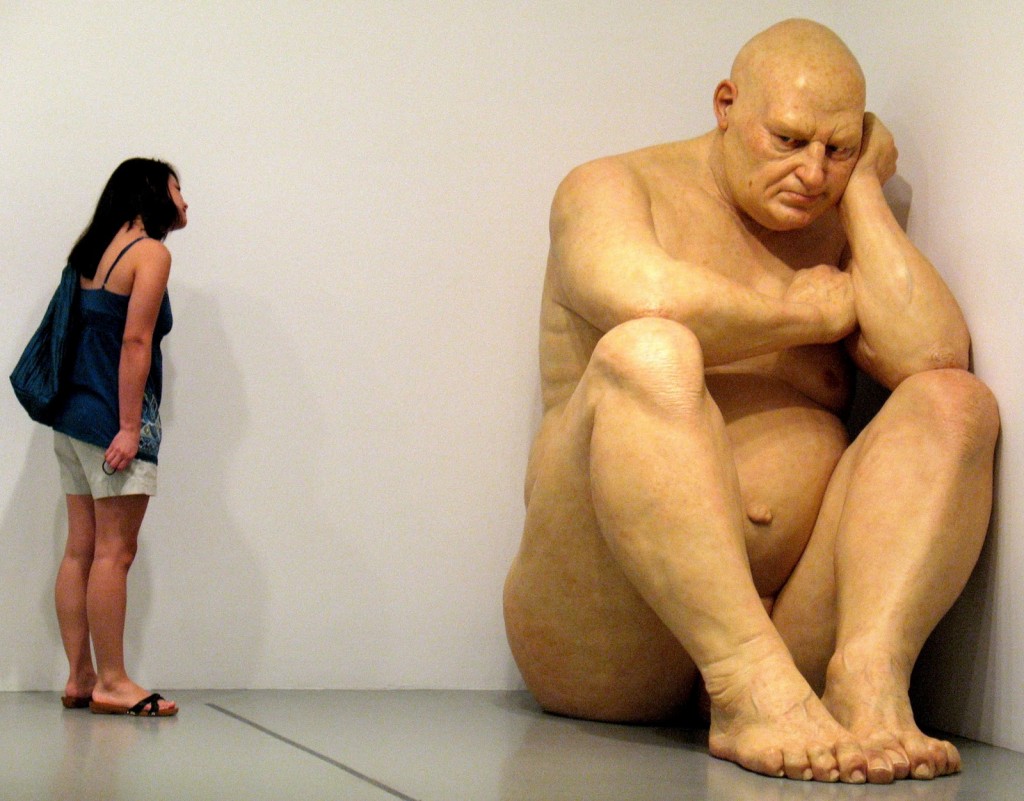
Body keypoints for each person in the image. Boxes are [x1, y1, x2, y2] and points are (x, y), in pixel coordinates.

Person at [503, 19, 999, 784]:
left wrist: (864, 195)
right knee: (650, 351)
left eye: (837, 149)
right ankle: (743, 675)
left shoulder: (834, 224)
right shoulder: (611, 186)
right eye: (789, 140)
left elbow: (933, 354)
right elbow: (642, 294)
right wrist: (806, 313)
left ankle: (868, 676)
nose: (812, 172)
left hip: (793, 633)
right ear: (727, 105)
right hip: (609, 632)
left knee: (954, 404)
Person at [50, 158, 187, 717]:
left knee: (80, 550)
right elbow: (135, 342)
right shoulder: (150, 253)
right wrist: (131, 428)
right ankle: (112, 682)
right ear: (152, 193)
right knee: (115, 552)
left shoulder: (92, 251)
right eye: (178, 189)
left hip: (73, 416)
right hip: (113, 423)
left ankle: (80, 676)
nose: (185, 201)